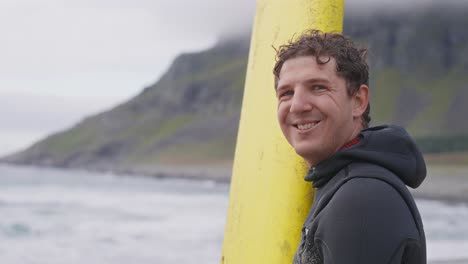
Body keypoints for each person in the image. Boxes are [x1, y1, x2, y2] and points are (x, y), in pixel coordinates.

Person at [273, 30, 427, 264]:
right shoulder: (341, 183)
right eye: (287, 93)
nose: (297, 105)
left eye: (318, 87)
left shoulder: (361, 198)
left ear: (358, 101)